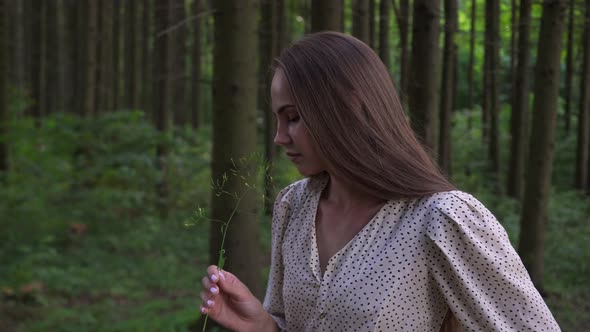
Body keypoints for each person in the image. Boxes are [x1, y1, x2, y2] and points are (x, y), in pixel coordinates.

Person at [199, 32, 560, 331]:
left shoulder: (442, 219)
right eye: (278, 118)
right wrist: (262, 325)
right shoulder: (293, 205)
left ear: (350, 107)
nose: (279, 137)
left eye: (292, 117)